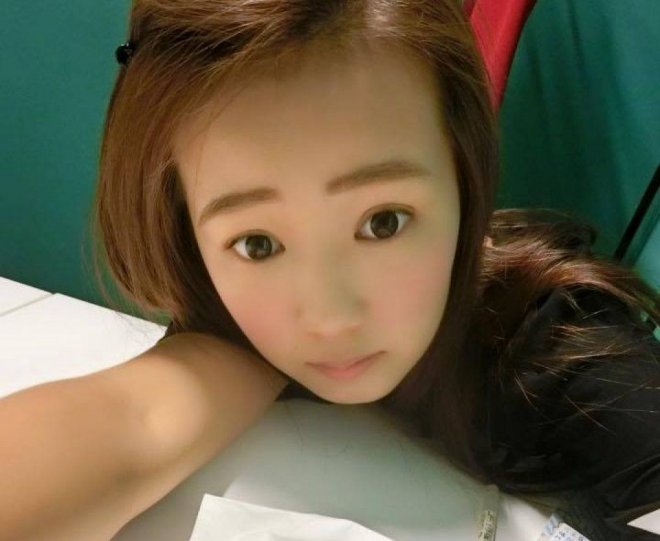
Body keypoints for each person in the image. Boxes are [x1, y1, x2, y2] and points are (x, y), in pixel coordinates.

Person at [91, 0, 659, 539]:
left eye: (384, 223)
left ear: (466, 182)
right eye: (258, 244)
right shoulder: (229, 327)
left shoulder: (557, 347)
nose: (330, 318)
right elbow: (129, 422)